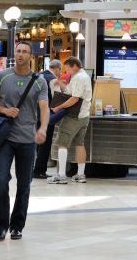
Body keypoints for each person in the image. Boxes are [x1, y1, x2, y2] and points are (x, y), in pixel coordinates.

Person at [0, 42, 48, 241]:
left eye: (25, 52)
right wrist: (4, 110)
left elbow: (44, 108)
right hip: (5, 137)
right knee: (1, 180)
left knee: (24, 184)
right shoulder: (2, 77)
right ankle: (0, 226)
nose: (20, 54)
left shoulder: (39, 81)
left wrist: (43, 128)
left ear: (31, 56)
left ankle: (17, 226)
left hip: (28, 139)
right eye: (18, 51)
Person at [48, 57, 93, 185]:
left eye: (67, 68)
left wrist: (58, 107)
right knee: (79, 144)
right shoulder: (84, 76)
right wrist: (60, 83)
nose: (66, 71)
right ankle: (80, 174)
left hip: (74, 116)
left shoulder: (79, 77)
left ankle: (61, 175)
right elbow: (69, 92)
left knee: (62, 143)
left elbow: (74, 99)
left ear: (74, 66)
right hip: (84, 116)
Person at [33, 59, 62, 179]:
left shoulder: (38, 76)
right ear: (57, 68)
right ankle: (39, 171)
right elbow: (57, 98)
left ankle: (35, 169)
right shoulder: (53, 79)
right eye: (60, 70)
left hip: (35, 113)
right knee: (45, 144)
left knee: (38, 143)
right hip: (47, 114)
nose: (60, 72)